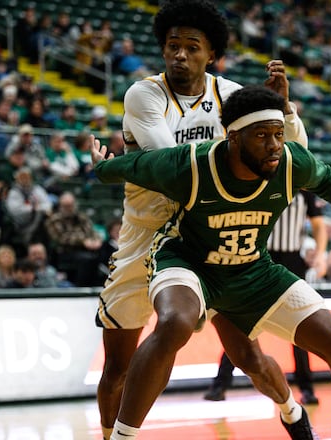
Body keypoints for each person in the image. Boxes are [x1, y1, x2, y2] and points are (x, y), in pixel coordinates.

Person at [91, 85, 331, 440]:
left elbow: (330, 183)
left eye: (277, 133)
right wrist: (103, 167)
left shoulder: (290, 160)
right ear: (233, 137)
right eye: (261, 135)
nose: (274, 144)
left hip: (251, 268)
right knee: (175, 323)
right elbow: (132, 166)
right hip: (189, 263)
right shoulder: (192, 163)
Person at [94, 2, 310, 439]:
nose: (179, 55)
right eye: (172, 46)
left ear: (211, 54)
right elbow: (172, 165)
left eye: (191, 47)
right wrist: (238, 152)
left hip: (207, 238)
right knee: (117, 364)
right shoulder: (144, 94)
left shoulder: (229, 95)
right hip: (144, 236)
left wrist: (282, 110)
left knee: (247, 354)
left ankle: (292, 412)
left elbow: (294, 153)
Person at [204, 190, 328, 405]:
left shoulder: (303, 188)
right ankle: (220, 384)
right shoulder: (260, 182)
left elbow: (318, 224)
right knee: (241, 322)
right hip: (259, 259)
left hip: (291, 261)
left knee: (300, 325)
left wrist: (320, 253)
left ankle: (307, 388)